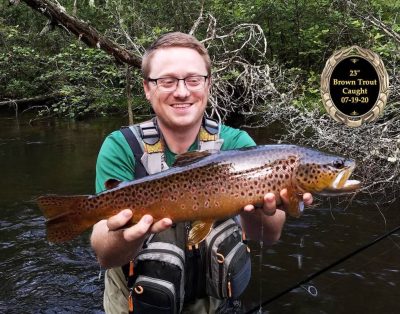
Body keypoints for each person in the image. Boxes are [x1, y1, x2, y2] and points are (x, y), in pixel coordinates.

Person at [91, 32, 313, 314]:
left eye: (193, 80)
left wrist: (260, 210)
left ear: (208, 84)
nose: (182, 91)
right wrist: (130, 234)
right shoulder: (120, 147)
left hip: (212, 306)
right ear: (147, 88)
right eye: (167, 81)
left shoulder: (238, 145)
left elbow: (267, 236)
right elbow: (104, 254)